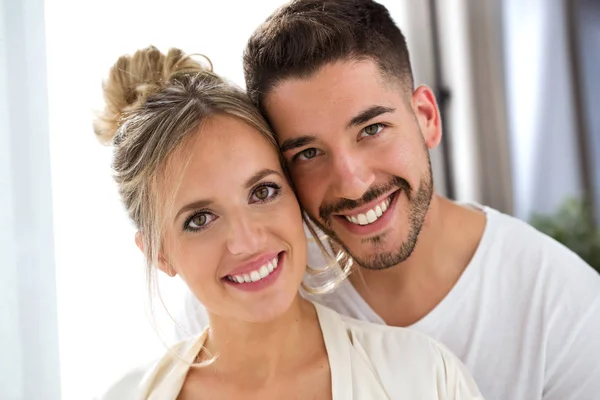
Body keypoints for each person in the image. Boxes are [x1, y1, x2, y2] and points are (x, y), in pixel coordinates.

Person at [174, 1, 600, 399]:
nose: (353, 185)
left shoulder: (567, 310)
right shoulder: (247, 288)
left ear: (426, 118)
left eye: (372, 129)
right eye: (308, 154)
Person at [95, 46, 483, 399]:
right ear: (160, 254)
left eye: (262, 192)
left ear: (295, 192)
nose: (246, 240)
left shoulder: (423, 378)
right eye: (200, 219)